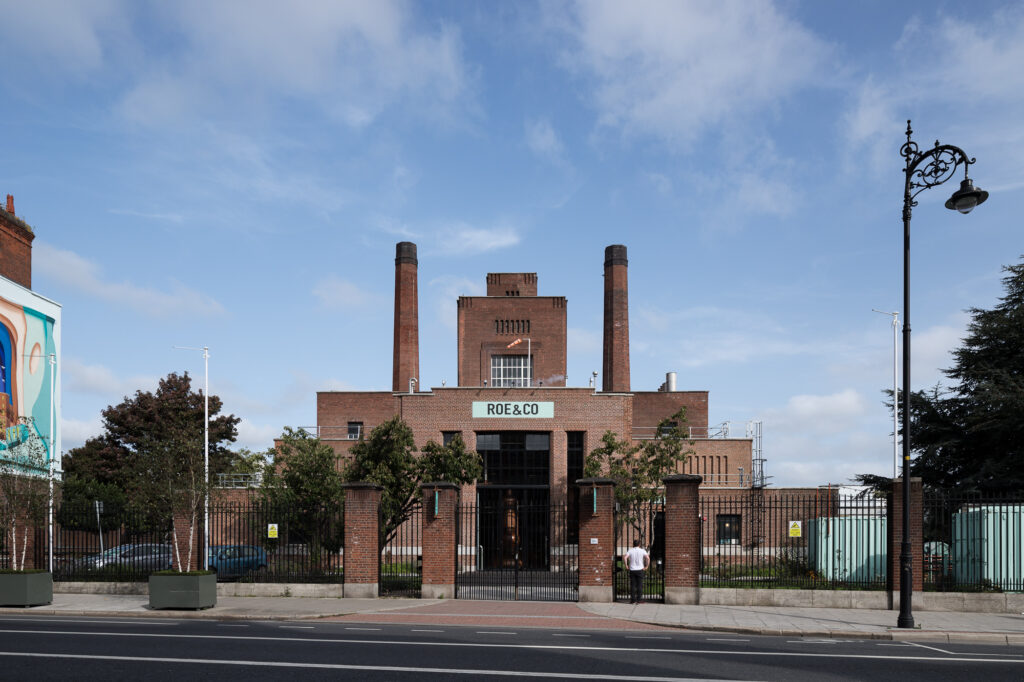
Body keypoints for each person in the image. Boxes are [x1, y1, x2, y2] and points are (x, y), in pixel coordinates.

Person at [623, 539, 650, 604]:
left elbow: (625, 557)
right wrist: (647, 566)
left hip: (632, 570)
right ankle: (639, 600)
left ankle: (632, 600)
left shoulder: (630, 550)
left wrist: (626, 565)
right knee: (639, 585)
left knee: (633, 585)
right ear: (639, 544)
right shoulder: (642, 551)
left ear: (633, 544)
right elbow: (648, 558)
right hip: (640, 570)